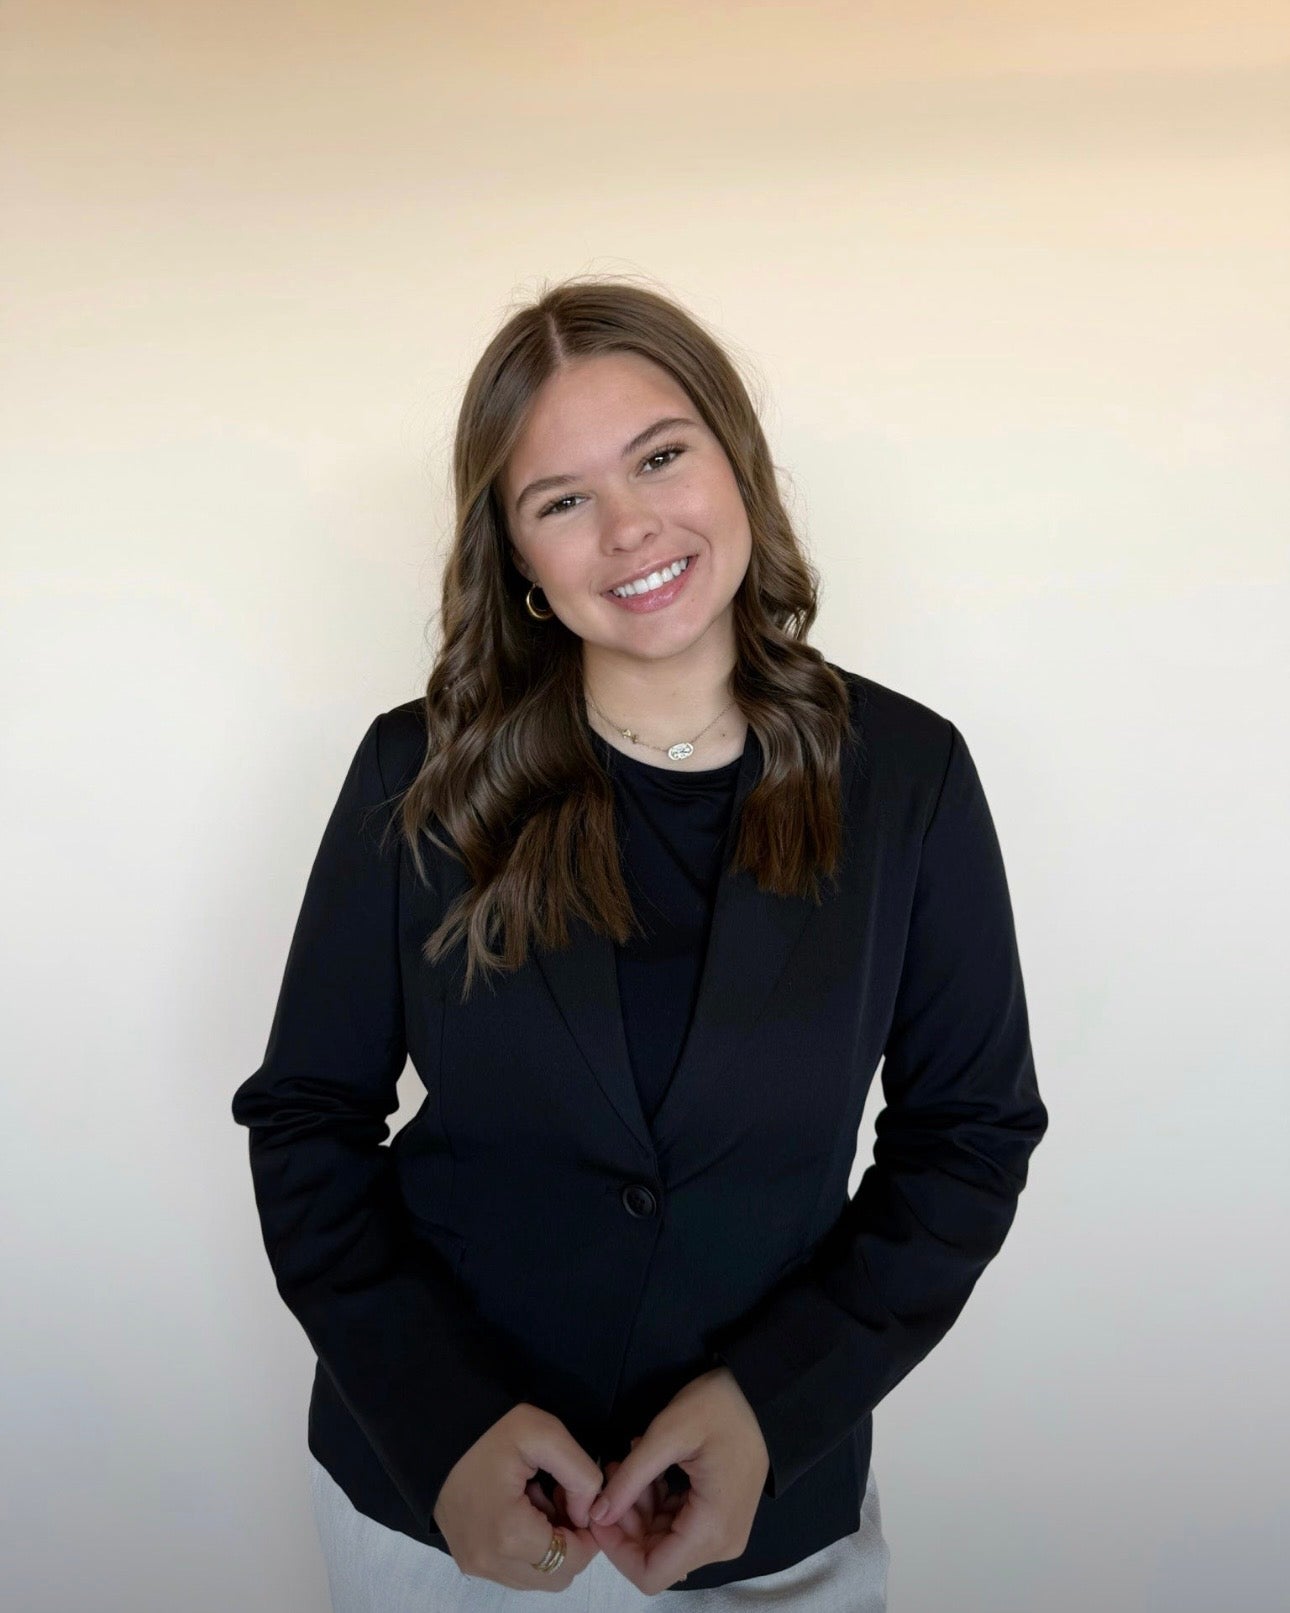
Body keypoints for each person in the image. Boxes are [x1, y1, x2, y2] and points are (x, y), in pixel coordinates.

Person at [231, 276, 1048, 1610]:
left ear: (737, 461)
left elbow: (969, 1136)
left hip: (768, 1519)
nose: (628, 528)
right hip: (443, 1522)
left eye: (660, 457)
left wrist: (772, 1406)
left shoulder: (910, 775)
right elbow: (307, 1118)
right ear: (517, 557)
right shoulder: (413, 772)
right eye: (561, 500)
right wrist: (443, 1425)